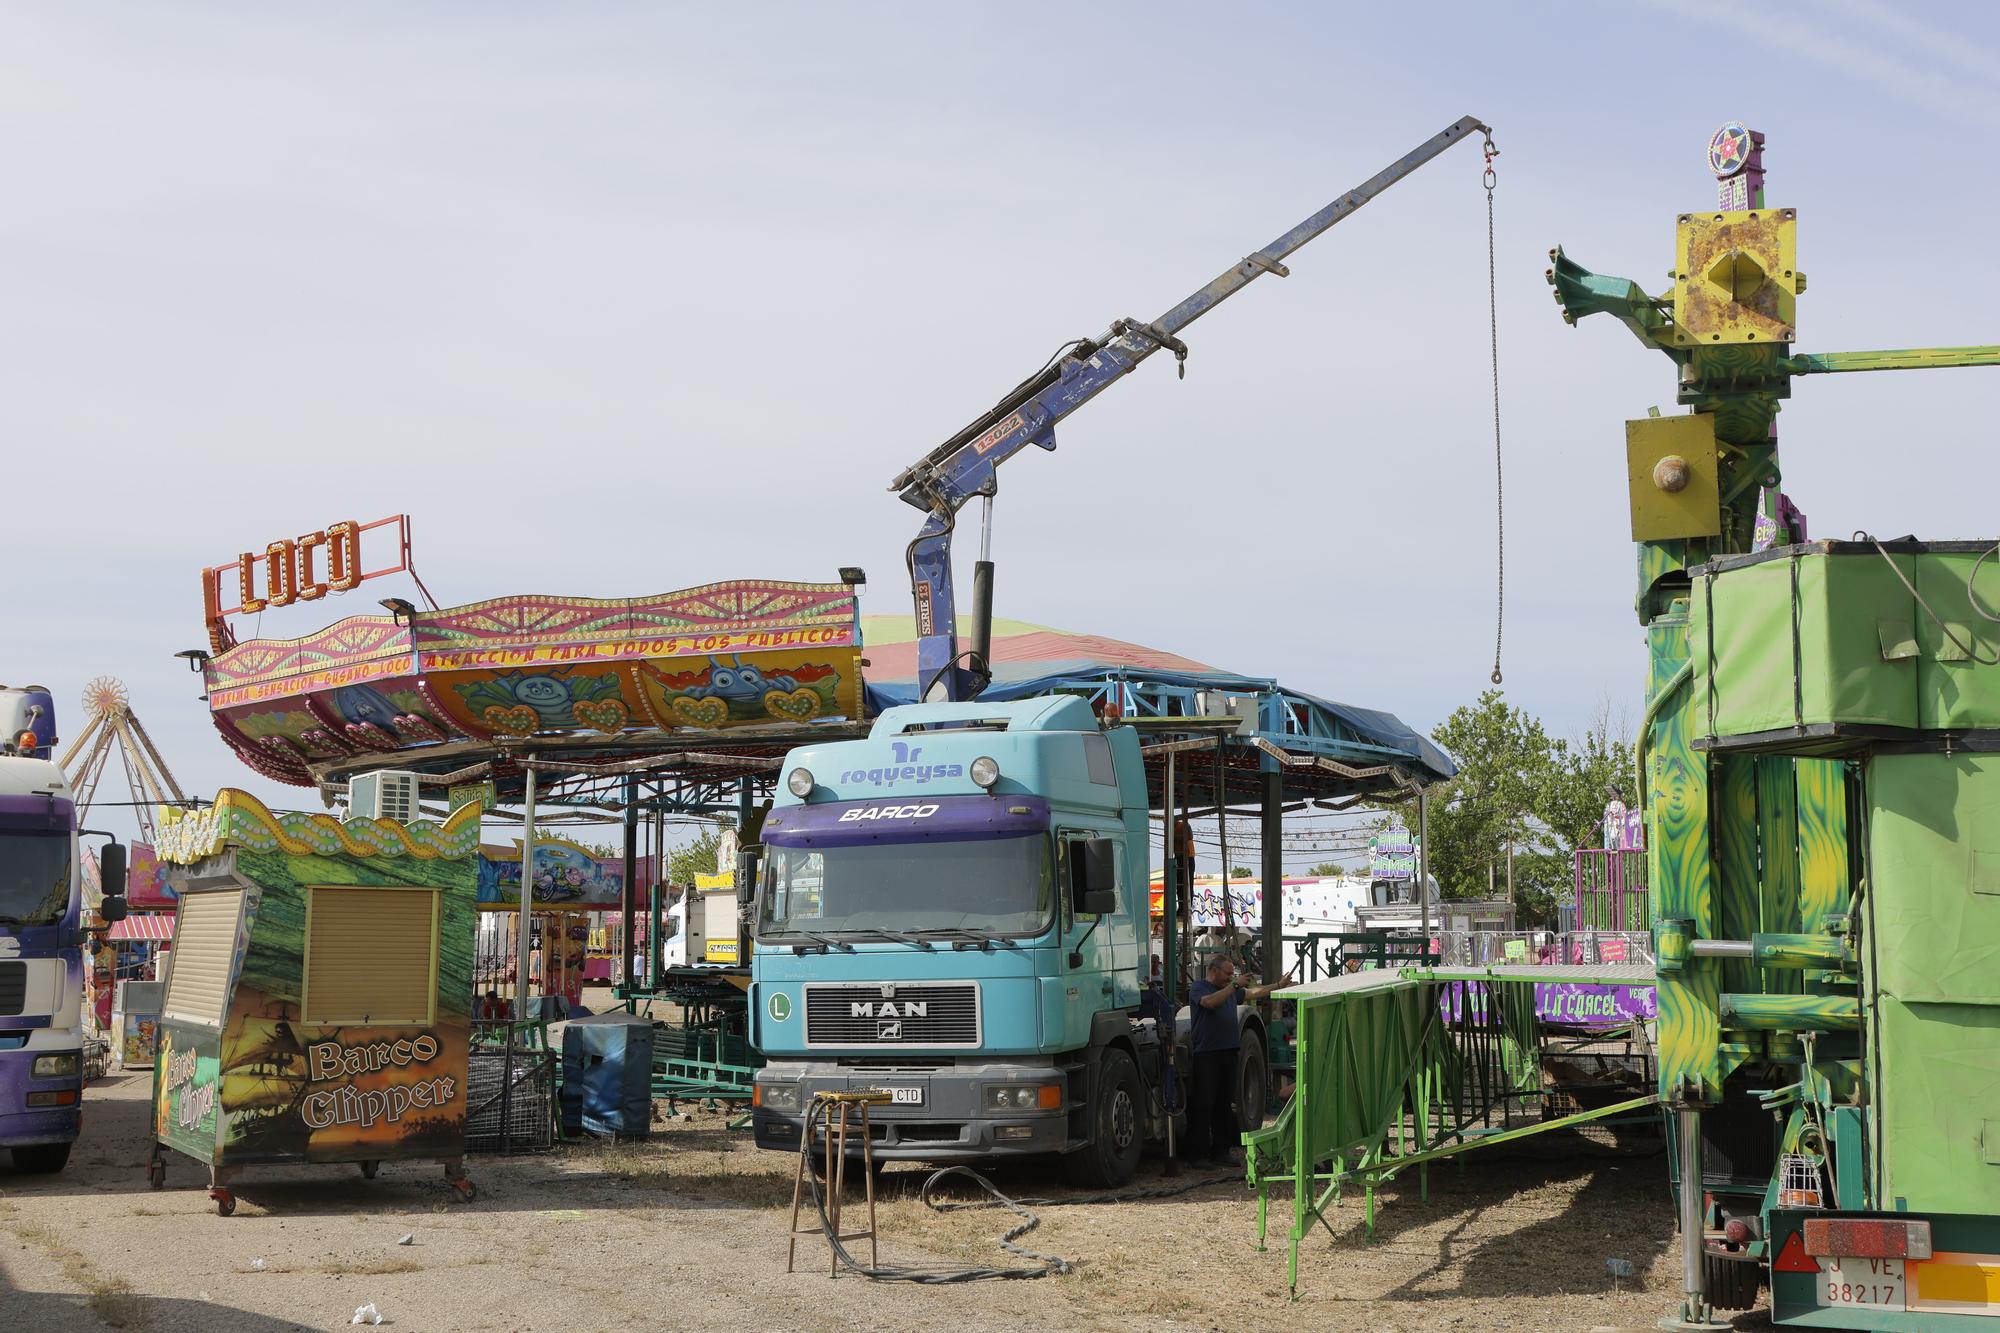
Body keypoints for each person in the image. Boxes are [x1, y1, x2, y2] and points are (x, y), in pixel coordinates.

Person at [1186, 953, 1282, 1167]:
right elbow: (1210, 1003)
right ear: (1214, 970)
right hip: (1207, 1054)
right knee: (1204, 1104)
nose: (1230, 978)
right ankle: (1198, 1155)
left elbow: (1253, 992)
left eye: (1232, 975)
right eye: (1227, 974)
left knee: (1224, 1104)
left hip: (1228, 1052)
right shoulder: (1200, 988)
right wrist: (1234, 986)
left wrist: (1277, 985)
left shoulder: (1232, 991)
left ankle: (1221, 1151)